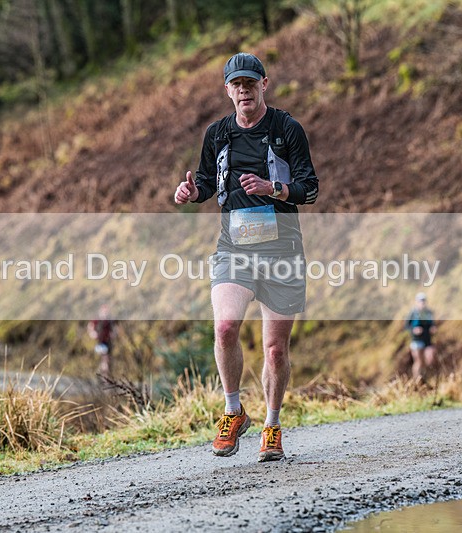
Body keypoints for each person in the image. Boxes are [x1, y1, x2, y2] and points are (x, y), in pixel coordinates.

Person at [174, 52, 319, 462]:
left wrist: (272, 189)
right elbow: (205, 181)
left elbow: (310, 188)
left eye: (250, 83)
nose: (244, 91)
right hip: (234, 248)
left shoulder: (287, 129)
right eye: (236, 85)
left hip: (282, 251)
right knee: (224, 327)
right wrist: (190, 193)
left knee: (274, 349)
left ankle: (272, 426)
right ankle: (233, 411)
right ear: (227, 91)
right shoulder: (217, 134)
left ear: (264, 84)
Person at [405, 292, 437, 381]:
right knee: (419, 361)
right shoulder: (413, 313)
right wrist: (414, 330)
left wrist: (433, 328)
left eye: (423, 301)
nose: (422, 303)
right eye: (420, 301)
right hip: (417, 340)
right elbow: (406, 326)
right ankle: (417, 380)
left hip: (427, 339)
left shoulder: (428, 312)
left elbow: (432, 324)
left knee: (430, 359)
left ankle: (426, 378)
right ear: (417, 302)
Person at [88, 304, 114, 378]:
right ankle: (97, 374)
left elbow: (115, 329)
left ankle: (105, 377)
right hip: (97, 342)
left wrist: (113, 334)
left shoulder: (110, 320)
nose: (105, 313)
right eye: (104, 311)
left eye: (106, 311)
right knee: (98, 360)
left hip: (107, 342)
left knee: (106, 360)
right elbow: (90, 326)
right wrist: (92, 333)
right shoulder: (96, 320)